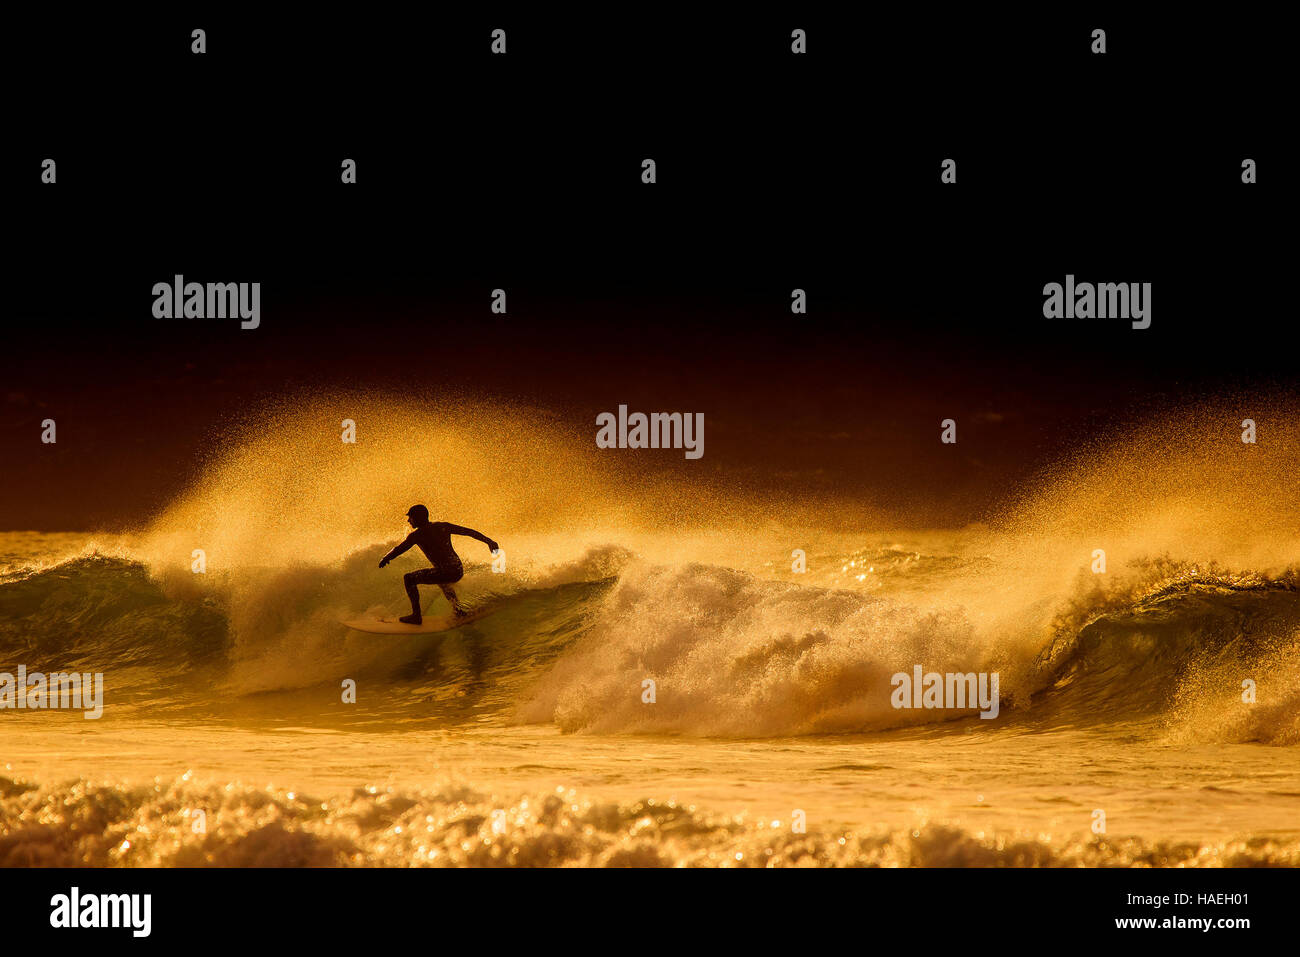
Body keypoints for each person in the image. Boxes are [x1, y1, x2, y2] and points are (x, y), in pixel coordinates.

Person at [378, 505, 499, 625]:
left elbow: (399, 549)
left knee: (409, 578)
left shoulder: (416, 535)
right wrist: (489, 541)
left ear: (418, 517)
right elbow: (469, 532)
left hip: (446, 572)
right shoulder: (443, 526)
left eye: (411, 517)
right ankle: (458, 611)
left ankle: (416, 616)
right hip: (457, 569)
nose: (408, 520)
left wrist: (386, 558)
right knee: (441, 580)